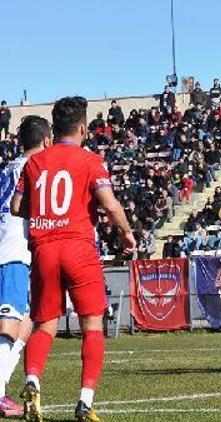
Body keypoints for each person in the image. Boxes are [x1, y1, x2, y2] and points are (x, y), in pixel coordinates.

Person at [10, 97, 136, 421]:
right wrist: (125, 233)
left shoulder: (34, 162)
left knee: (44, 325)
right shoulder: (91, 161)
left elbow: (15, 206)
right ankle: (84, 401)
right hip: (78, 246)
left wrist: (42, 211)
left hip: (43, 249)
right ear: (82, 127)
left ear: (54, 129)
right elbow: (109, 204)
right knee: (92, 324)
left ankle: (32, 380)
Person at [0, 116, 52, 417]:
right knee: (9, 321)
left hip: (12, 249)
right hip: (13, 251)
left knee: (26, 322)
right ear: (46, 141)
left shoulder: (8, 167)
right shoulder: (35, 168)